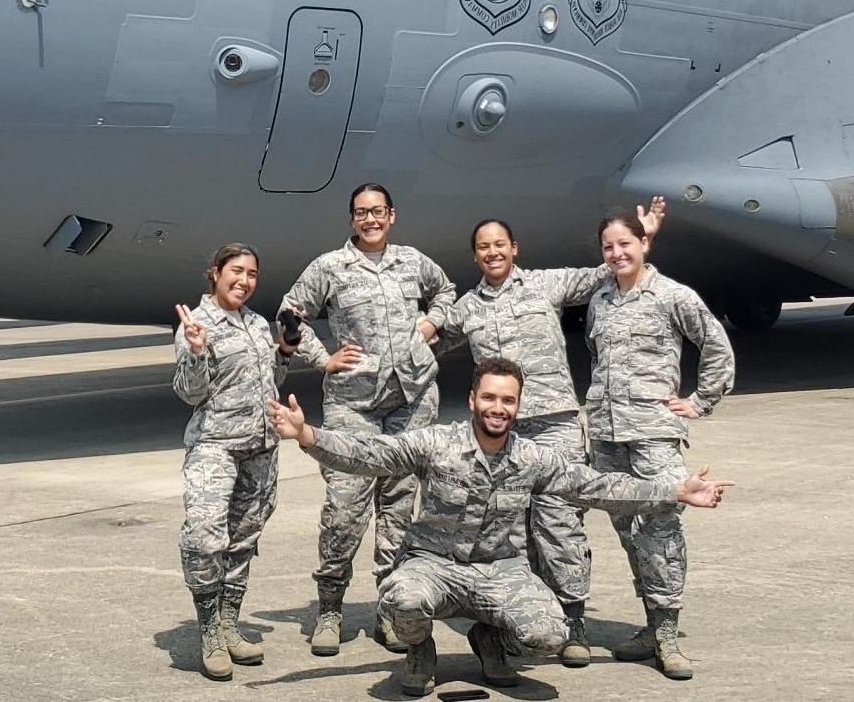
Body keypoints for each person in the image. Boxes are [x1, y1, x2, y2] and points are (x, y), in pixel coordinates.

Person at [267, 358, 733, 697]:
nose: (498, 407)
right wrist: (307, 436)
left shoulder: (531, 458)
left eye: (507, 400)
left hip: (499, 572)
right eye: (489, 397)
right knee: (401, 599)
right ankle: (421, 649)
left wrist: (673, 491)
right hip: (433, 566)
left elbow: (595, 485)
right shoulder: (438, 443)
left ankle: (488, 637)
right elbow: (374, 455)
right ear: (472, 399)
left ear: (517, 406)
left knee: (551, 636)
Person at [429, 199, 665, 667]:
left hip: (555, 424)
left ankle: (572, 619)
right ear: (475, 255)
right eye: (483, 247)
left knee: (560, 524)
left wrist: (647, 236)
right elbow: (430, 342)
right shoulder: (467, 307)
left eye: (500, 244)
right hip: (503, 435)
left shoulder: (546, 284)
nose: (492, 252)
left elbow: (609, 269)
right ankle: (523, 618)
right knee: (512, 530)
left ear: (514, 248)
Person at [278, 182, 455, 655]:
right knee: (345, 507)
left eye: (378, 212)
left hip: (412, 400)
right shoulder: (331, 267)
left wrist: (432, 321)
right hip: (353, 404)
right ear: (351, 219)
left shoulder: (414, 262)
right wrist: (321, 358)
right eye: (361, 213)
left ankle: (390, 609)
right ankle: (330, 607)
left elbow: (447, 292)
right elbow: (289, 313)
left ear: (392, 216)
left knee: (399, 506)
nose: (370, 220)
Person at [585, 210, 736, 681]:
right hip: (608, 436)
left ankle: (667, 633)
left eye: (625, 244)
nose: (617, 254)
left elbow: (715, 344)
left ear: (644, 244)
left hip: (652, 434)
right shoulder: (600, 300)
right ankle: (650, 627)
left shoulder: (672, 295)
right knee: (628, 531)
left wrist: (700, 401)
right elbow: (597, 357)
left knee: (661, 531)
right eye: (608, 247)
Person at [171, 243, 310, 681]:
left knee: (243, 539)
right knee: (205, 535)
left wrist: (285, 350)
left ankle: (231, 623)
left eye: (252, 273)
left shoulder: (254, 322)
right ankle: (209, 629)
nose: (244, 281)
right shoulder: (197, 323)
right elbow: (190, 394)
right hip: (215, 445)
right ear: (215, 273)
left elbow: (270, 379)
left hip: (261, 446)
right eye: (236, 271)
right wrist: (195, 351)